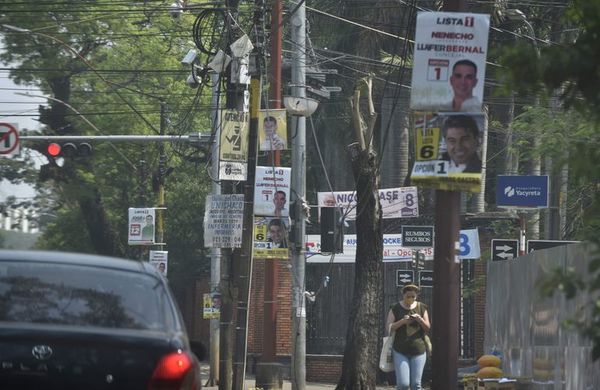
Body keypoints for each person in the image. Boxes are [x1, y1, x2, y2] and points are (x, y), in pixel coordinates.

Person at [386, 284, 431, 390]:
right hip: (400, 350)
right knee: (403, 384)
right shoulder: (395, 307)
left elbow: (427, 328)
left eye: (413, 297)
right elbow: (389, 327)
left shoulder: (421, 307)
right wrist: (403, 321)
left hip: (419, 350)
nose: (410, 299)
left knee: (416, 384)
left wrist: (420, 320)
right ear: (403, 295)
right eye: (408, 296)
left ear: (416, 296)